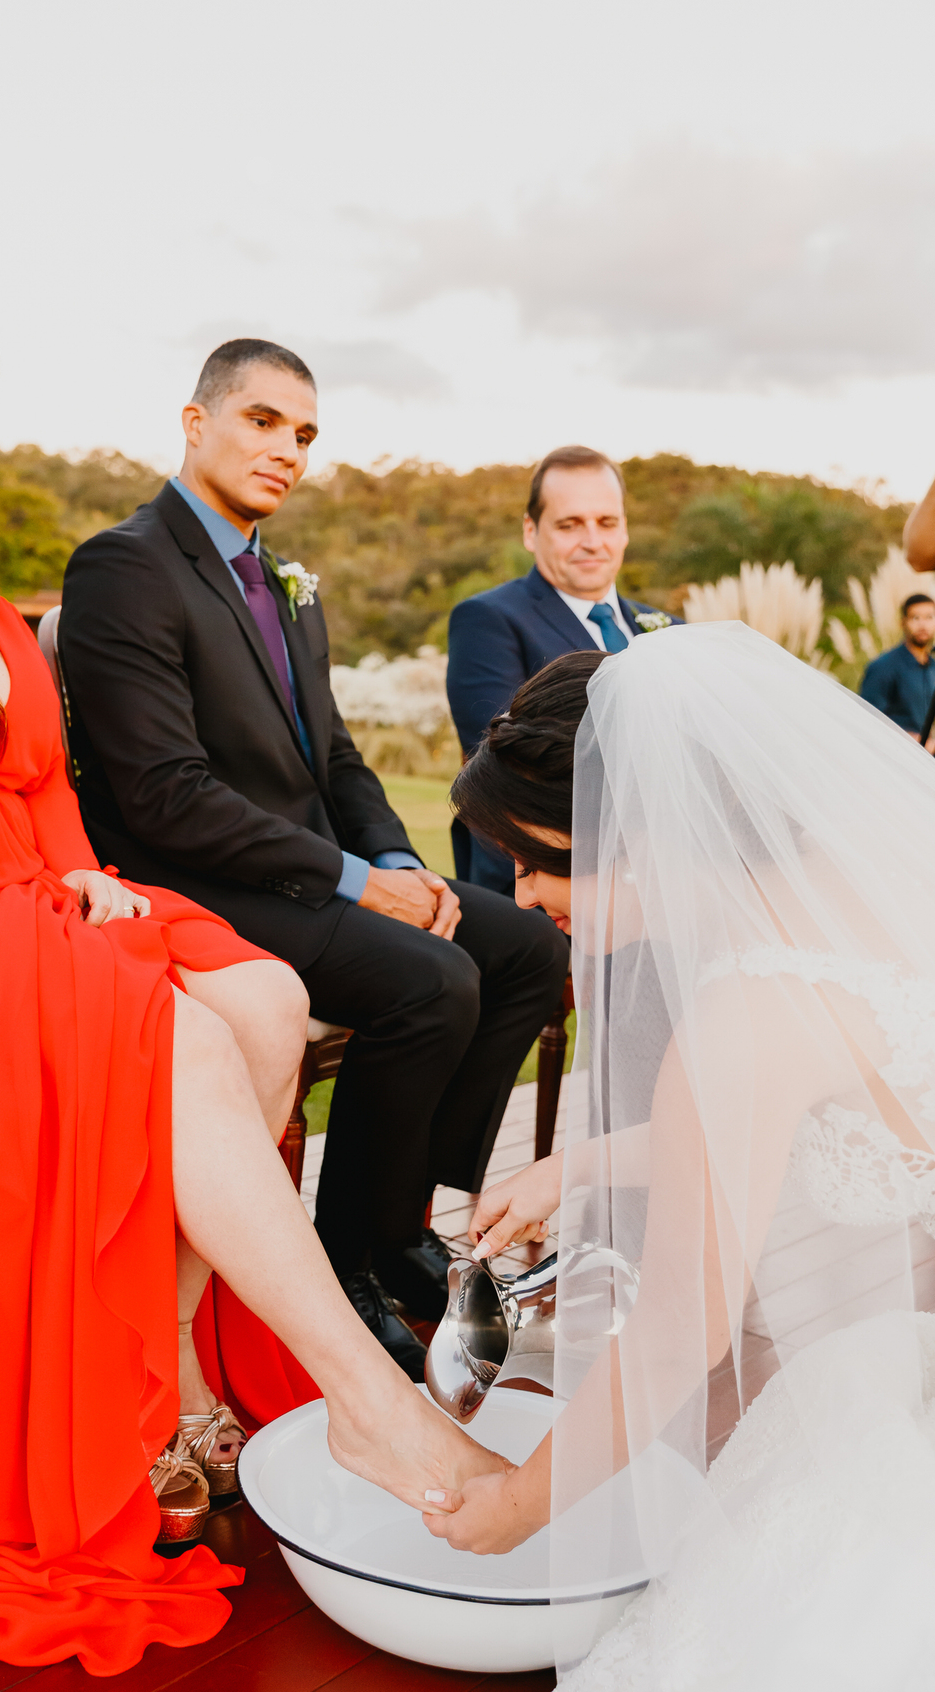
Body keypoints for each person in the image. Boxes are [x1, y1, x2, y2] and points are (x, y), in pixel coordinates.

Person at [0, 286, 504, 1677]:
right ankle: (364, 1407)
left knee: (266, 998)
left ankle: (164, 1362)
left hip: (8, 891)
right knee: (185, 1042)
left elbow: (34, 773)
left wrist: (83, 875)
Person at [423, 625, 935, 1688]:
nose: (523, 894)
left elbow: (673, 1335)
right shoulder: (865, 880)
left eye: (534, 858)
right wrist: (580, 1164)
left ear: (633, 835)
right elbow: (800, 1109)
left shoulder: (745, 1011)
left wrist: (515, 1507)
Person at [57, 339, 568, 1371]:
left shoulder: (287, 583)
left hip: (312, 868)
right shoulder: (124, 565)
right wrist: (357, 883)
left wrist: (395, 858)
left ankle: (401, 1217)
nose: (286, 449)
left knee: (527, 949)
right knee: (430, 982)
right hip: (192, 880)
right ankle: (344, 1258)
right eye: (262, 421)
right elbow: (164, 795)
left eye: (303, 434)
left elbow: (333, 755)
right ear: (196, 422)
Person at [445, 446, 678, 894]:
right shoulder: (488, 620)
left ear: (625, 529)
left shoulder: (669, 629)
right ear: (531, 531)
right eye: (569, 524)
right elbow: (508, 760)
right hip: (539, 885)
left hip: (662, 884)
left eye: (606, 522)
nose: (592, 540)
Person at [859, 591, 935, 747]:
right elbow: (867, 718)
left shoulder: (932, 666)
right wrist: (915, 740)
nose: (923, 625)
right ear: (903, 622)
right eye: (915, 618)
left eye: (929, 617)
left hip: (927, 756)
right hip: (895, 754)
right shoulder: (883, 666)